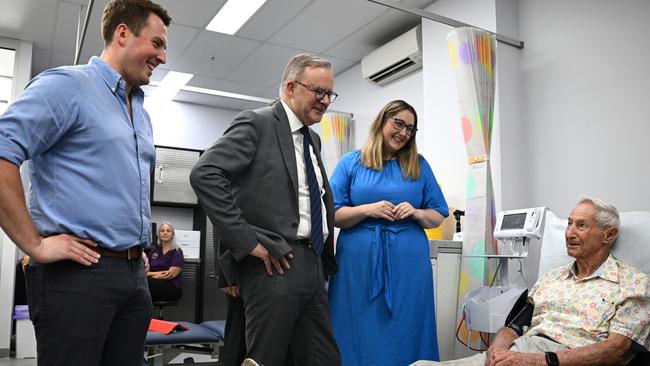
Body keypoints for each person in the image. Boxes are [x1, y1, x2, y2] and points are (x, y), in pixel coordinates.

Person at [0, 0, 170, 364]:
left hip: (132, 275)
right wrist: (35, 244)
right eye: (156, 43)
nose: (163, 56)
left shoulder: (139, 110)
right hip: (76, 276)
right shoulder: (67, 86)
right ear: (122, 33)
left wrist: (134, 249)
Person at [190, 53, 341, 366]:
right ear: (290, 87)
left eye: (329, 94)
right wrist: (247, 243)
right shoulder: (257, 123)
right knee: (265, 358)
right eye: (318, 92)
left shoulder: (312, 138)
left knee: (323, 358)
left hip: (313, 263)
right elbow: (205, 174)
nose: (325, 101)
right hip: (276, 264)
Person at [414, 197, 650, 366]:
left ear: (609, 234)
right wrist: (497, 349)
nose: (569, 233)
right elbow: (516, 324)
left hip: (561, 359)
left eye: (581, 225)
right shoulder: (550, 278)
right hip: (517, 353)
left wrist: (539, 361)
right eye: (569, 223)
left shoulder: (633, 283)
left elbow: (619, 350)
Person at [327, 99, 449, 365]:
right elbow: (332, 214)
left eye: (410, 128)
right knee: (355, 323)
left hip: (409, 265)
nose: (404, 132)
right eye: (399, 123)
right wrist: (367, 210)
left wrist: (416, 213)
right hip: (357, 266)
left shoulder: (419, 165)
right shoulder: (351, 163)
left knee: (408, 322)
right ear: (383, 120)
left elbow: (438, 213)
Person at [147, 222, 184, 301]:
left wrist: (149, 275)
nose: (165, 233)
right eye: (162, 231)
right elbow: (144, 271)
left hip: (171, 287)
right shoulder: (154, 251)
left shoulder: (177, 251)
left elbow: (170, 274)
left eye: (168, 231)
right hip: (154, 283)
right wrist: (155, 276)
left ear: (172, 234)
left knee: (144, 284)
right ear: (159, 234)